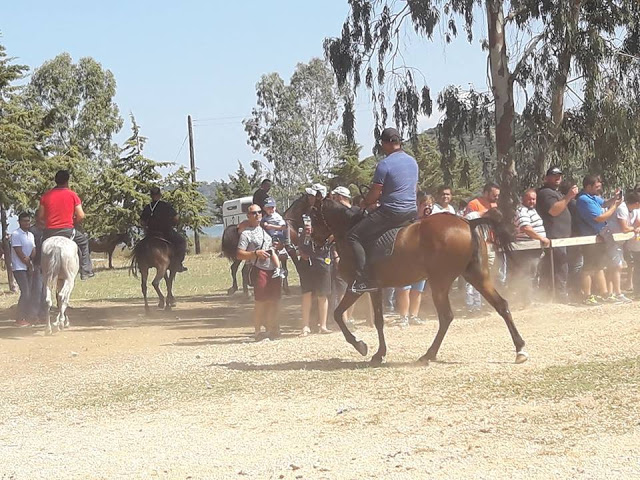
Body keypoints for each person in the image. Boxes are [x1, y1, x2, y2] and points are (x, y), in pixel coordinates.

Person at [346, 127, 418, 292]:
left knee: (353, 236)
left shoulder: (384, 164)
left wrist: (365, 203)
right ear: (399, 142)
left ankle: (365, 279)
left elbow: (375, 193)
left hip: (391, 212)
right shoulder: (412, 162)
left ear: (384, 144)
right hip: (411, 211)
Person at [575, 174, 622, 305]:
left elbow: (605, 203)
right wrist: (615, 206)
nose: (599, 189)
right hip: (590, 238)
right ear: (588, 186)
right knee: (588, 267)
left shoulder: (593, 197)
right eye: (596, 187)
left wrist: (614, 199)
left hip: (599, 237)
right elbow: (600, 218)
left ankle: (604, 294)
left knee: (599, 266)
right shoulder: (584, 199)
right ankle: (587, 296)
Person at [37, 169, 94, 279]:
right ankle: (86, 270)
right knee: (83, 243)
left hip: (50, 231)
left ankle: (40, 267)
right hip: (68, 231)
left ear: (55, 181)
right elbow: (81, 215)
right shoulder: (73, 195)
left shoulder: (46, 196)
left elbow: (40, 216)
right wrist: (74, 221)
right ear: (67, 181)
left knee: (40, 243)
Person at [236, 204, 281, 340]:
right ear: (248, 216)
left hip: (272, 269)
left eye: (259, 212)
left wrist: (278, 267)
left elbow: (271, 250)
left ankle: (272, 327)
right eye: (254, 213)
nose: (257, 215)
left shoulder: (266, 230)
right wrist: (255, 253)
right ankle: (257, 331)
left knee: (273, 301)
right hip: (258, 269)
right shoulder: (246, 234)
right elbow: (239, 254)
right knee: (260, 302)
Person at [536, 166, 578, 302]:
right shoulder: (546, 193)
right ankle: (559, 296)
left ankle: (550, 294)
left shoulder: (556, 193)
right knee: (560, 266)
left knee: (558, 265)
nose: (558, 177)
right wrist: (569, 197)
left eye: (559, 175)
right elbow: (553, 211)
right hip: (555, 236)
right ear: (546, 178)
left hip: (562, 236)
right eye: (554, 175)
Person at [510, 189, 550, 305]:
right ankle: (526, 300)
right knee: (526, 274)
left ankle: (529, 299)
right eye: (529, 199)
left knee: (532, 274)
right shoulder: (522, 210)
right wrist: (541, 238)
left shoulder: (531, 210)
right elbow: (525, 228)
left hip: (533, 248)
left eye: (534, 199)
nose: (532, 201)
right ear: (523, 199)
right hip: (526, 249)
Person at [140, 186, 187, 272]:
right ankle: (178, 264)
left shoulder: (147, 207)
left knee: (140, 246)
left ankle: (140, 263)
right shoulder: (165, 205)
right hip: (165, 232)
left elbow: (142, 221)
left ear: (151, 196)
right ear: (160, 195)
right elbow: (176, 217)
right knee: (181, 242)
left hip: (150, 233)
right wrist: (174, 223)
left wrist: (146, 229)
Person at [11, 212, 36, 327]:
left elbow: (33, 249)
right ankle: (19, 318)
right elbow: (19, 251)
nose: (27, 223)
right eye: (24, 221)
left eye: (28, 221)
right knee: (25, 292)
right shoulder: (16, 234)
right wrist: (28, 263)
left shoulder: (30, 235)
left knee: (30, 293)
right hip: (19, 267)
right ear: (19, 222)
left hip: (28, 266)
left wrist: (30, 260)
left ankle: (27, 316)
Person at [615, 191, 640, 299]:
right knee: (619, 265)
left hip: (630, 241)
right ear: (637, 203)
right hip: (617, 240)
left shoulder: (635, 210)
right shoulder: (622, 208)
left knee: (636, 266)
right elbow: (625, 228)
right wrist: (634, 228)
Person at [260, 197, 286, 278]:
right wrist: (263, 223)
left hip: (277, 235)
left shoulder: (277, 216)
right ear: (264, 208)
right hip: (269, 236)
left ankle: (278, 268)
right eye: (269, 208)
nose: (271, 209)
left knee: (272, 251)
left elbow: (284, 226)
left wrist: (272, 226)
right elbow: (262, 222)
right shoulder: (265, 217)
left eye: (272, 207)